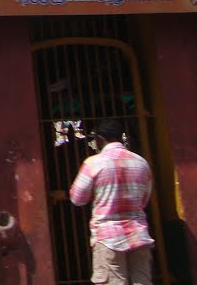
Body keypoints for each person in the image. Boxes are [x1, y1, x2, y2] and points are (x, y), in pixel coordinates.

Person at [70, 118, 154, 285]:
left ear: (100, 139)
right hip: (138, 234)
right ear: (121, 136)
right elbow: (144, 199)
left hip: (108, 237)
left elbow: (77, 199)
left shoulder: (93, 163)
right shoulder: (141, 163)